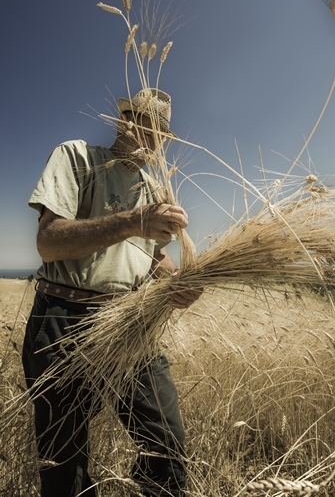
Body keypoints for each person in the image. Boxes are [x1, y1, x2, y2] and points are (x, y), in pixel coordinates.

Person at [22, 88, 201, 497]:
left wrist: (177, 284)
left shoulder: (155, 192)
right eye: (144, 124)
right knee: (64, 463)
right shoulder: (77, 158)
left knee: (167, 446)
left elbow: (153, 257)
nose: (151, 138)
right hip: (64, 320)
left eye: (160, 133)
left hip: (131, 322)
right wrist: (132, 221)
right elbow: (49, 241)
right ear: (124, 121)